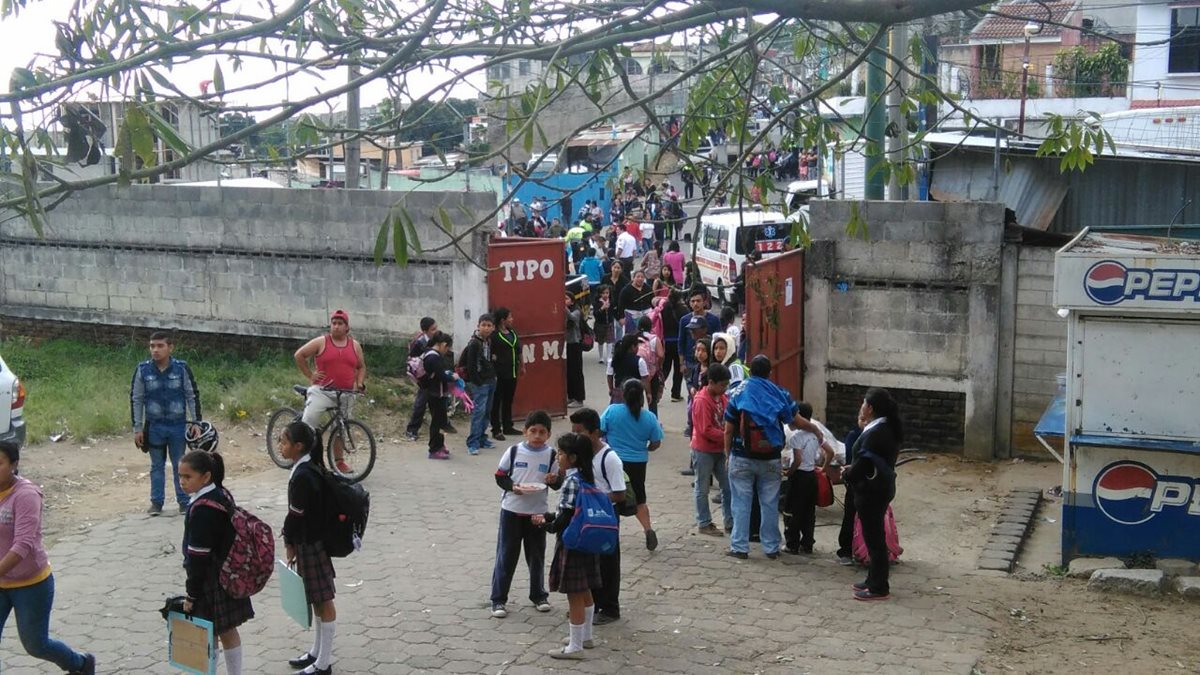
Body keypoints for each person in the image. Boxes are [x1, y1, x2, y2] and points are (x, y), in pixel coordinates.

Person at [0, 441, 95, 675]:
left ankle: (80, 664)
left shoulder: (26, 495)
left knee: (36, 645)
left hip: (30, 584)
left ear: (14, 464)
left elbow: (23, 544)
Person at [722, 355, 824, 560]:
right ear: (770, 372)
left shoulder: (737, 391)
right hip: (770, 458)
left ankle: (740, 547)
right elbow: (796, 421)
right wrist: (815, 428)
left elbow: (728, 429)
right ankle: (771, 547)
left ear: (750, 370)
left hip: (741, 456)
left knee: (741, 502)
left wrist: (727, 455)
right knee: (769, 503)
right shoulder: (779, 393)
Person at [179, 450, 252, 675]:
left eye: (187, 477)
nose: (182, 482)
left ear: (206, 477)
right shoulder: (221, 494)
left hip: (210, 579)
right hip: (227, 573)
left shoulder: (202, 509)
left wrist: (191, 594)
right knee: (227, 630)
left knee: (209, 633)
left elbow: (197, 556)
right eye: (179, 476)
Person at [278, 421, 338, 675]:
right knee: (316, 598)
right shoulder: (305, 469)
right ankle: (316, 652)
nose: (279, 446)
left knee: (323, 600)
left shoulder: (304, 475)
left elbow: (296, 514)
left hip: (310, 543)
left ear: (298, 446)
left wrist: (288, 540)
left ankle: (323, 663)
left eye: (283, 442)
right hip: (308, 541)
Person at [534, 433, 601, 660]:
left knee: (574, 594)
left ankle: (575, 646)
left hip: (572, 541)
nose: (558, 457)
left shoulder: (571, 480)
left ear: (572, 457)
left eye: (561, 453)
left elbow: (567, 515)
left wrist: (547, 525)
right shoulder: (586, 476)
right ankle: (586, 636)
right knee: (585, 589)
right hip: (586, 538)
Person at [490, 411, 560, 619]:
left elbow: (558, 483)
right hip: (512, 511)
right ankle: (498, 599)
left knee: (536, 556)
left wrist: (552, 480)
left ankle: (539, 595)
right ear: (525, 432)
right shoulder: (513, 452)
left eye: (542, 432)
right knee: (506, 556)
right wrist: (513, 487)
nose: (537, 436)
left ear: (548, 434)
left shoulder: (551, 455)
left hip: (537, 513)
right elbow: (500, 476)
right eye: (533, 431)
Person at [841, 388, 902, 601]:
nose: (861, 407)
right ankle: (872, 579)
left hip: (872, 491)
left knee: (875, 540)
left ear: (870, 408)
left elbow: (865, 462)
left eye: (863, 403)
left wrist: (848, 472)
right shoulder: (881, 427)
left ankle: (879, 586)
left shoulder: (878, 432)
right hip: (875, 488)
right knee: (872, 536)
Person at [131, 330, 201, 516]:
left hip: (178, 426)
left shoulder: (181, 368)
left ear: (170, 347)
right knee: (156, 465)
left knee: (181, 464)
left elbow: (191, 395)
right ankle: (156, 503)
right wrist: (138, 428)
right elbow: (136, 399)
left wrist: (195, 422)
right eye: (152, 346)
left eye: (160, 346)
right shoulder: (143, 370)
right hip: (154, 427)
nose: (155, 350)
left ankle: (184, 502)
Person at [569, 408, 625, 625]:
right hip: (585, 516)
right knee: (589, 563)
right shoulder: (580, 455)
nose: (575, 437)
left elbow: (619, 494)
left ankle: (610, 608)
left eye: (579, 432)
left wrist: (594, 499)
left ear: (594, 433)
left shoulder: (610, 459)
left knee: (608, 563)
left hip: (605, 516)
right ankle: (587, 607)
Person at [293, 309, 367, 475]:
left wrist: (360, 383)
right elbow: (299, 355)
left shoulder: (354, 345)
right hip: (322, 391)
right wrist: (310, 374)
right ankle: (303, 459)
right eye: (333, 323)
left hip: (345, 393)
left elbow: (361, 366)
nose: (336, 327)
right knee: (308, 422)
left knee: (341, 427)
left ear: (347, 327)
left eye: (340, 324)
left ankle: (339, 462)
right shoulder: (322, 342)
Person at [601, 380, 663, 551]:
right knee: (639, 498)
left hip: (613, 461)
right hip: (638, 463)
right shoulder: (649, 417)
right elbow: (656, 443)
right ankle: (648, 529)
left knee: (612, 496)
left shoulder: (613, 411)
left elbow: (599, 429)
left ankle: (610, 533)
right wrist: (645, 448)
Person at [782, 402, 833, 555]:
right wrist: (823, 469)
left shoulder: (796, 437)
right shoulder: (816, 435)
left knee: (792, 511)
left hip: (798, 477)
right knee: (809, 512)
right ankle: (807, 543)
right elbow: (830, 453)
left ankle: (792, 544)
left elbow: (797, 460)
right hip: (811, 476)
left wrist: (789, 473)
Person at [692, 363, 732, 537]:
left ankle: (730, 521)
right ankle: (704, 522)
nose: (725, 388)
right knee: (702, 488)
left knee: (728, 486)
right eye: (722, 384)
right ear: (711, 382)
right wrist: (726, 435)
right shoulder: (702, 401)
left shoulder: (722, 398)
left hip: (719, 449)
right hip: (703, 450)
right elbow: (705, 429)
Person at [459, 313, 498, 455]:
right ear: (478, 326)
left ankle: (482, 438)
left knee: (487, 411)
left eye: (489, 326)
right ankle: (473, 442)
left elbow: (489, 360)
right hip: (480, 383)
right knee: (478, 412)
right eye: (483, 325)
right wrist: (478, 382)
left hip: (490, 380)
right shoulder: (474, 343)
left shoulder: (488, 341)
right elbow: (471, 366)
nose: (486, 328)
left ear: (493, 327)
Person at [418, 332, 457, 460]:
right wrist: (452, 377)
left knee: (440, 420)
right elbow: (442, 376)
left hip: (434, 392)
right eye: (447, 348)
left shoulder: (428, 354)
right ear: (444, 345)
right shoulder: (434, 357)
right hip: (436, 393)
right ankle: (434, 448)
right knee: (437, 422)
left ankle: (440, 445)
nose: (447, 351)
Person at [490, 308, 523, 442]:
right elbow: (489, 353)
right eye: (510, 317)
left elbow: (518, 349)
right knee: (496, 401)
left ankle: (508, 426)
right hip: (499, 373)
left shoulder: (512, 333)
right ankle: (496, 429)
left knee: (508, 400)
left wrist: (523, 365)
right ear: (503, 320)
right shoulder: (494, 336)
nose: (512, 319)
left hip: (512, 371)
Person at [404, 317, 439, 441]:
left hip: (434, 376)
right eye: (433, 329)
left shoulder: (436, 340)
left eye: (436, 328)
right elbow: (413, 361)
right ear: (425, 331)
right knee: (421, 403)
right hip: (423, 378)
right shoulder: (419, 343)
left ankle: (438, 428)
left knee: (436, 403)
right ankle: (411, 430)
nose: (436, 331)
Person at [835, 421, 864, 566]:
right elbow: (850, 458)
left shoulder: (879, 435)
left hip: (870, 483)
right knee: (851, 516)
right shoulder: (855, 436)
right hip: (856, 481)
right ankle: (846, 549)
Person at [678, 289, 721, 381]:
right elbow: (681, 342)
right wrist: (682, 363)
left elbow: (719, 341)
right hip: (690, 361)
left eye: (698, 301)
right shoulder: (684, 320)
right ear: (689, 303)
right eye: (692, 301)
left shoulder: (714, 320)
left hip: (709, 362)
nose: (695, 304)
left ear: (704, 302)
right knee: (692, 390)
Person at [606, 334, 650, 404]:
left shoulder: (613, 360)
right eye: (637, 346)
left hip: (619, 392)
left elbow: (609, 376)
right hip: (635, 393)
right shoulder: (640, 361)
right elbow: (645, 379)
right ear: (633, 347)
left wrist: (611, 389)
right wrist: (648, 393)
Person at [659, 290, 686, 402]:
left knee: (665, 368)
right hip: (679, 342)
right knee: (678, 369)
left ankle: (657, 390)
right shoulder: (684, 310)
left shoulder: (664, 307)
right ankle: (675, 394)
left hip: (667, 341)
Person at [565, 293, 586, 408]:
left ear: (572, 301)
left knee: (576, 371)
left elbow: (572, 317)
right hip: (567, 344)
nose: (564, 300)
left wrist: (564, 307)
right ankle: (571, 396)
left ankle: (579, 398)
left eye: (566, 298)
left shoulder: (576, 311)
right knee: (569, 372)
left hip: (575, 344)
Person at [618, 270, 655, 337]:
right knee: (632, 336)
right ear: (633, 278)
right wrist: (621, 317)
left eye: (642, 277)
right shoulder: (626, 290)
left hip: (646, 315)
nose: (640, 279)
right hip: (631, 316)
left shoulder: (648, 288)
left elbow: (652, 301)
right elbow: (621, 304)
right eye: (638, 277)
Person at [592, 285, 616, 366]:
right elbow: (595, 314)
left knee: (609, 341)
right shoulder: (597, 303)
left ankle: (609, 357)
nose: (605, 295)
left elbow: (614, 312)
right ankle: (601, 357)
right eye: (603, 293)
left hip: (609, 324)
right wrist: (602, 308)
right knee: (600, 341)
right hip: (600, 325)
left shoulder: (611, 302)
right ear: (600, 294)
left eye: (607, 293)